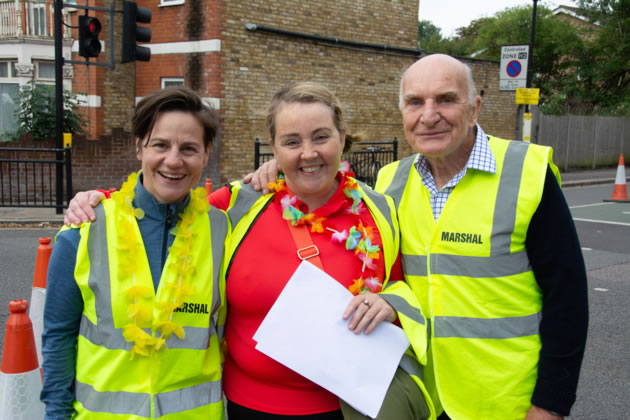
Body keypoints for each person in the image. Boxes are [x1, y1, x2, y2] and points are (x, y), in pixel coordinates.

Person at [63, 82, 433, 419]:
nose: (308, 153)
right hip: (249, 407)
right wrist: (100, 200)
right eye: (291, 142)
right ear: (273, 149)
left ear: (343, 139)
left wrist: (391, 304)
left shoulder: (378, 209)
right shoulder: (238, 204)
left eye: (321, 137)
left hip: (348, 407)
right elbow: (166, 201)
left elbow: (404, 289)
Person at [248, 55, 589, 420]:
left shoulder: (526, 173)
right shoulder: (389, 184)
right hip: (423, 400)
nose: (428, 116)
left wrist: (550, 404)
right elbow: (380, 270)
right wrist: (276, 171)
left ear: (474, 109)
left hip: (506, 403)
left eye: (445, 99)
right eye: (415, 102)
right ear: (403, 113)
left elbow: (567, 299)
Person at [41, 87, 229, 419]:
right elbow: (59, 336)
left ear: (205, 153)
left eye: (188, 148)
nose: (173, 160)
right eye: (160, 145)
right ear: (139, 145)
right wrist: (56, 415)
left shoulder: (222, 230)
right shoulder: (85, 228)